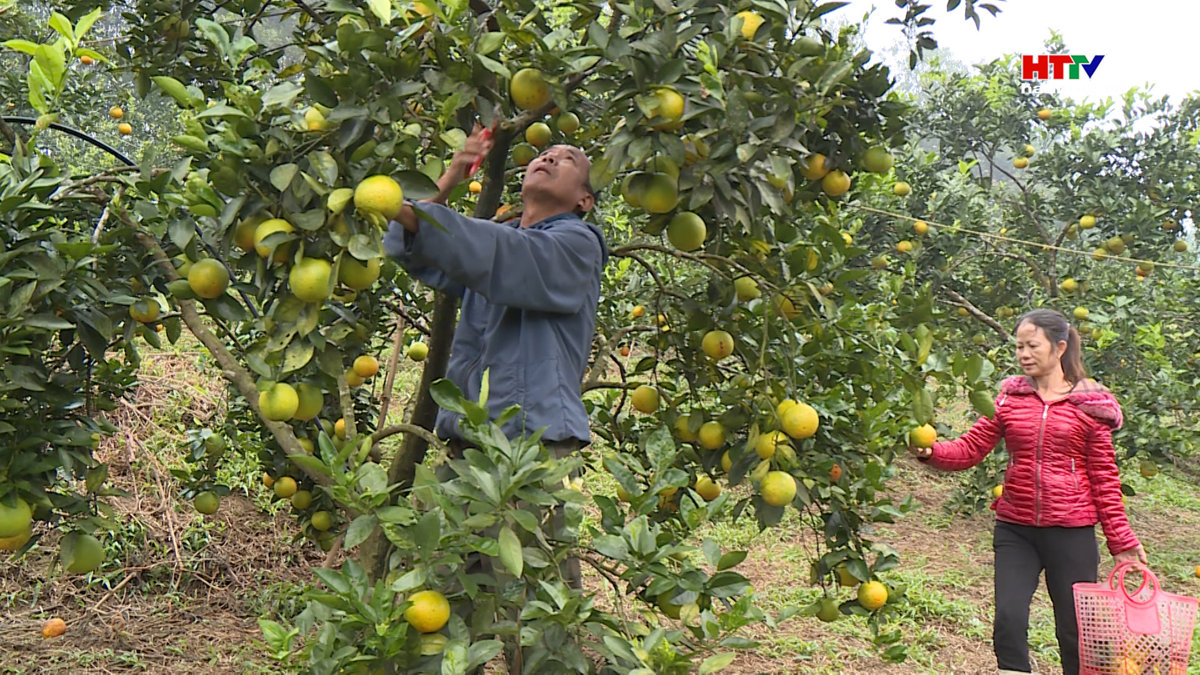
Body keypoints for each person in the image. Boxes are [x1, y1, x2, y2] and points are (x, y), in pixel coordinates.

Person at [382, 126, 607, 588]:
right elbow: (414, 250)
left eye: (567, 158)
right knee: (445, 595)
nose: (549, 157)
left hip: (531, 451)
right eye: (545, 152)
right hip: (466, 449)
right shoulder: (493, 245)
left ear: (584, 200)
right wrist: (450, 176)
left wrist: (404, 208)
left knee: (531, 605)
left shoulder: (577, 246)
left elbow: (501, 254)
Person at [909, 308, 1146, 675]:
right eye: (1019, 346)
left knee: (1074, 630)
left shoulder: (1090, 406)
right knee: (1008, 619)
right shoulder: (1010, 399)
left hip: (1071, 531)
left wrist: (1122, 541)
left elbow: (1105, 479)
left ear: (1059, 347)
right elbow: (970, 448)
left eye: (1033, 345)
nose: (1024, 354)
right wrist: (931, 452)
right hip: (1016, 528)